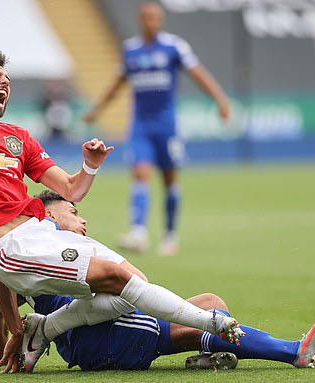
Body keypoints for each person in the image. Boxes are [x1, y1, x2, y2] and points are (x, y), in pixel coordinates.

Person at [0, 50, 243, 375]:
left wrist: (89, 167)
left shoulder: (18, 137)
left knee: (131, 280)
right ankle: (213, 323)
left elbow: (70, 189)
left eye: (7, 77)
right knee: (120, 280)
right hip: (12, 244)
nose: (4, 82)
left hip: (43, 232)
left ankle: (44, 329)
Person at [0, 191, 315, 372]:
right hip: (105, 336)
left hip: (100, 339)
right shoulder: (45, 251)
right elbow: (130, 285)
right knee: (199, 318)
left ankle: (209, 356)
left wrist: (9, 348)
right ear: (47, 214)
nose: (83, 220)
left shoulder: (38, 257)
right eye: (74, 212)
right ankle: (293, 352)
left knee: (210, 302)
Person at [83, 2, 230, 256]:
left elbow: (198, 74)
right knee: (140, 175)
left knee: (170, 180)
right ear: (141, 20)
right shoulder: (131, 50)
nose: (150, 21)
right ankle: (138, 232)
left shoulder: (174, 46)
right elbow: (117, 84)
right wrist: (97, 110)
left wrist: (220, 99)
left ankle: (170, 235)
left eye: (154, 17)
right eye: (146, 17)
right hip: (140, 126)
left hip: (167, 126)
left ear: (160, 20)